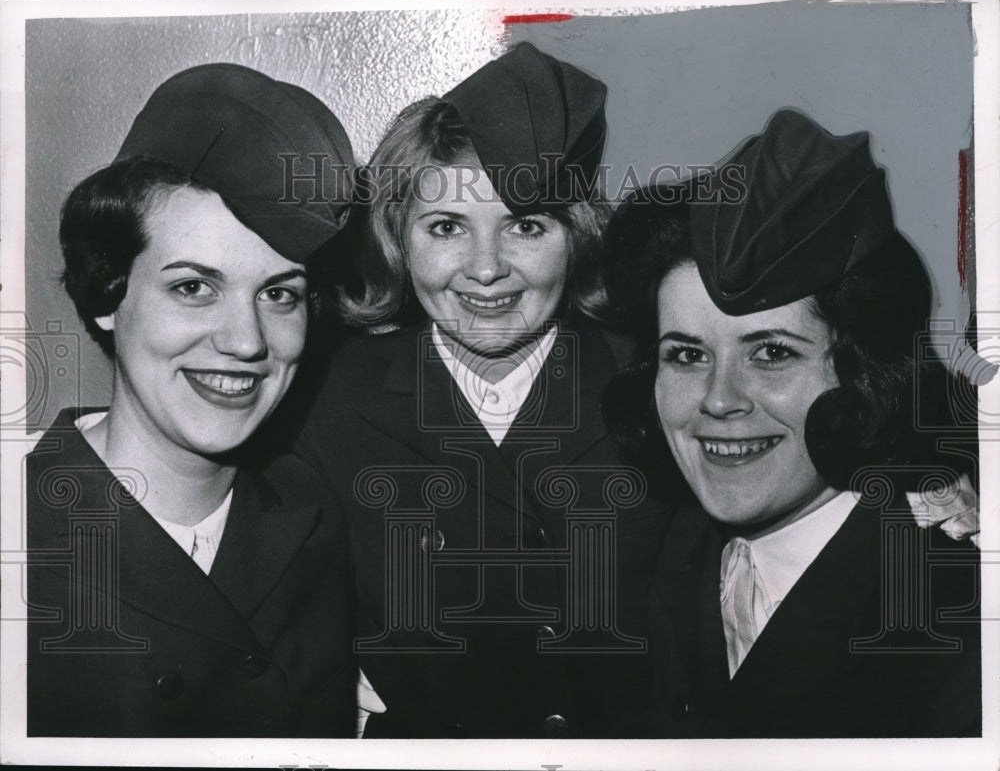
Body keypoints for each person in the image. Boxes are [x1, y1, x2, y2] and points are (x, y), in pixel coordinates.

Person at [294, 42, 666, 738]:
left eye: (525, 226)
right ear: (399, 239)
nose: (486, 269)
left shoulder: (657, 379)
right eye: (446, 227)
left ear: (575, 235)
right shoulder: (324, 400)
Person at [602, 108, 981, 738]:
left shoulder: (953, 615)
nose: (718, 400)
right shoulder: (665, 552)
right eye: (687, 355)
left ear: (860, 376)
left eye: (772, 352)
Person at [26, 63, 357, 737]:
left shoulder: (317, 511)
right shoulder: (22, 536)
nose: (245, 341)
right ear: (109, 291)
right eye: (193, 287)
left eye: (279, 294)